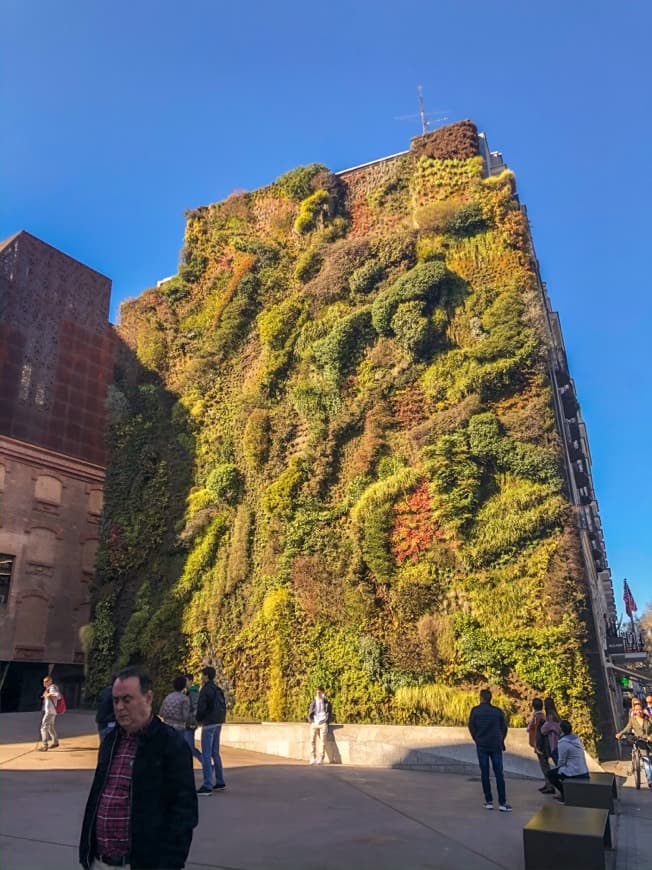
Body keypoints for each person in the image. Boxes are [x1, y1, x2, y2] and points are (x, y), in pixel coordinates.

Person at [79, 666, 198, 870]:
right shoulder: (110, 741)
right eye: (115, 700)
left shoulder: (170, 744)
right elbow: (97, 797)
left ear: (148, 698)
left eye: (127, 699)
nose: (120, 707)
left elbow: (184, 813)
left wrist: (170, 864)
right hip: (99, 861)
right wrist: (86, 853)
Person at [468, 688, 511, 811]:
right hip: (496, 744)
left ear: (481, 698)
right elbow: (504, 728)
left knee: (485, 773)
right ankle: (502, 802)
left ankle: (489, 801)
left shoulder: (475, 711)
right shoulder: (497, 712)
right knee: (499, 773)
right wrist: (501, 739)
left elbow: (471, 726)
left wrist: (476, 738)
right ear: (490, 698)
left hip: (482, 744)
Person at [195, 666, 227, 795]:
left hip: (208, 723)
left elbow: (201, 707)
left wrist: (198, 719)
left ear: (206, 676)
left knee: (206, 754)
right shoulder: (217, 689)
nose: (201, 678)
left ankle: (207, 784)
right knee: (215, 752)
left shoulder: (206, 689)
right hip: (218, 722)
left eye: (202, 675)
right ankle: (220, 781)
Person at [545, 719, 589, 801]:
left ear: (561, 730)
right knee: (559, 772)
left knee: (550, 774)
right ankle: (566, 792)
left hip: (574, 772)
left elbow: (561, 761)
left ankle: (564, 794)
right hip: (584, 771)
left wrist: (557, 768)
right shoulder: (576, 739)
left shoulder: (563, 742)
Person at [616, 702, 652, 788]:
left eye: (640, 709)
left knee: (648, 760)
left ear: (642, 710)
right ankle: (650, 780)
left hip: (648, 741)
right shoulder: (633, 720)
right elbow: (627, 729)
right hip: (639, 741)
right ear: (634, 711)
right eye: (636, 710)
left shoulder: (648, 719)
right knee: (646, 760)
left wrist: (650, 737)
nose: (639, 711)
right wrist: (620, 734)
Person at [526, 698, 550, 790]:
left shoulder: (537, 717)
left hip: (539, 744)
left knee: (544, 765)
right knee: (545, 764)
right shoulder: (543, 716)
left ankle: (549, 785)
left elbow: (530, 727)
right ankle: (547, 784)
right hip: (541, 743)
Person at [307, 687, 332, 765]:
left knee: (323, 741)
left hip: (323, 722)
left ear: (322, 693)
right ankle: (312, 757)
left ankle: (321, 758)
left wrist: (327, 721)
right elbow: (310, 711)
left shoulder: (326, 702)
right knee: (312, 740)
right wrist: (311, 721)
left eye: (319, 692)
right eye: (317, 692)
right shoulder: (314, 702)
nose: (318, 694)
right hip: (314, 722)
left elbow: (329, 712)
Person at [38, 675, 61, 751]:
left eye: (46, 681)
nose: (44, 683)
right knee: (50, 727)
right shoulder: (48, 689)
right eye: (44, 681)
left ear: (50, 681)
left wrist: (49, 694)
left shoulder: (52, 688)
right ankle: (55, 742)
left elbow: (58, 696)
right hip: (51, 711)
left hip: (50, 712)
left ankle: (45, 745)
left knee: (43, 728)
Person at [183, 674, 203, 763]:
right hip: (187, 723)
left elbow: (196, 708)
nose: (184, 683)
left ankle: (207, 764)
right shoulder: (187, 692)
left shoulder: (193, 693)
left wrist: (193, 722)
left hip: (190, 724)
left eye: (186, 680)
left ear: (191, 681)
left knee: (190, 747)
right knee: (188, 747)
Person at [540, 697, 562, 765]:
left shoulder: (550, 716)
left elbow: (543, 730)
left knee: (559, 765)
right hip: (560, 743)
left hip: (554, 744)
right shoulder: (556, 715)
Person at [96, 677, 116, 742]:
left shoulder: (103, 691)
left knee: (104, 743)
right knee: (109, 744)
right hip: (110, 721)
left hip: (101, 722)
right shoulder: (115, 693)